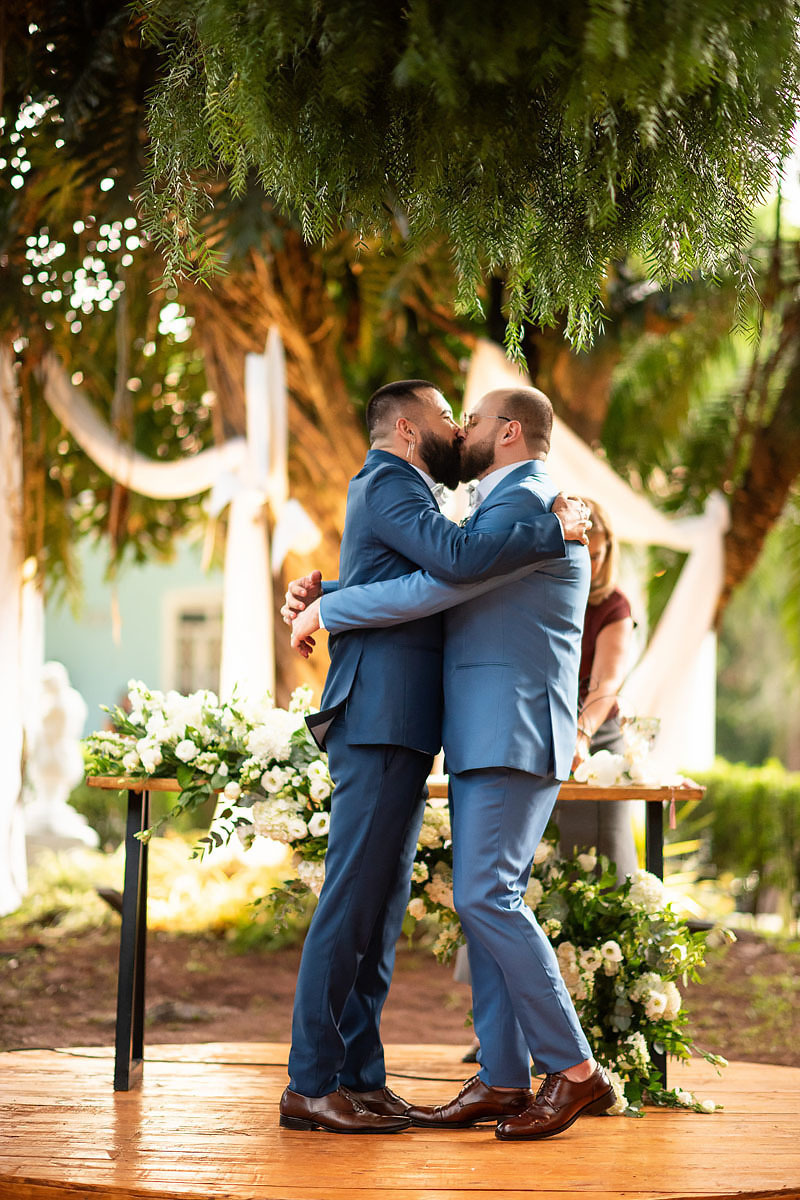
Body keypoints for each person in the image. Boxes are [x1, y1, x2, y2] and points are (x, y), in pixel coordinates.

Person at [290, 387, 614, 1141]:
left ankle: (572, 1070)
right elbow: (445, 573)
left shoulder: (527, 503)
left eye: (470, 420)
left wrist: (329, 606)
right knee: (461, 901)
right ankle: (497, 1077)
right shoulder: (505, 507)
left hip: (505, 725)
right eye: (450, 416)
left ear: (508, 432)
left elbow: (449, 575)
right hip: (469, 727)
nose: (460, 429)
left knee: (483, 898)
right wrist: (329, 592)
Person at [553, 498, 637, 881]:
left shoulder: (615, 606)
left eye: (597, 555)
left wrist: (581, 733)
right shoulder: (543, 597)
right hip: (547, 731)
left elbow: (607, 681)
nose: (589, 563)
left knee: (605, 855)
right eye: (580, 551)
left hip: (596, 736)